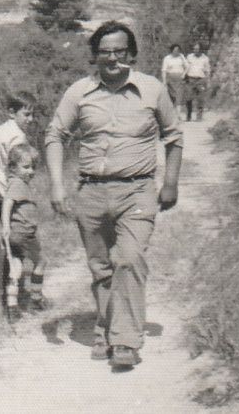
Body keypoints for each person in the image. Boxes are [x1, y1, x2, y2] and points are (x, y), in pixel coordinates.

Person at [45, 21, 183, 367]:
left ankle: (126, 341)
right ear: (95, 56)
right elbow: (55, 135)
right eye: (104, 52)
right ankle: (105, 331)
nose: (112, 58)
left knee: (130, 259)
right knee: (102, 267)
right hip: (91, 191)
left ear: (131, 54)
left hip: (137, 190)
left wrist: (171, 183)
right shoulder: (79, 92)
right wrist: (58, 185)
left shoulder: (152, 90)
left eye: (119, 51)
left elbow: (174, 137)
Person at [0, 143, 47, 322]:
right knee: (41, 261)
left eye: (33, 167)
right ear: (13, 167)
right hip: (24, 233)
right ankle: (36, 299)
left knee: (17, 267)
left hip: (15, 235)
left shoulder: (16, 182)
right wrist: (5, 225)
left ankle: (12, 307)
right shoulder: (17, 184)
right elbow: (7, 203)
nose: (31, 171)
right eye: (26, 167)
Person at [184, 43, 212, 121]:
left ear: (201, 50)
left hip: (201, 80)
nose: (195, 50)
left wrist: (208, 81)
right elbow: (185, 67)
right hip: (191, 79)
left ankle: (199, 116)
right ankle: (188, 115)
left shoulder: (205, 58)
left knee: (200, 98)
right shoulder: (189, 57)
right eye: (194, 49)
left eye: (197, 49)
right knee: (188, 98)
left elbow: (207, 70)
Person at [161, 44, 188, 119]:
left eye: (178, 50)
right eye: (175, 50)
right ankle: (171, 115)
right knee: (171, 97)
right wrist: (164, 81)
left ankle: (178, 115)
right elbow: (164, 70)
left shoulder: (181, 57)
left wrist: (183, 74)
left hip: (179, 78)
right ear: (172, 50)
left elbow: (187, 66)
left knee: (179, 96)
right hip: (170, 78)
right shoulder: (167, 58)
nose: (177, 52)